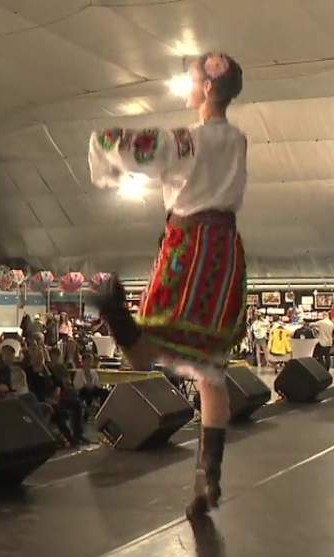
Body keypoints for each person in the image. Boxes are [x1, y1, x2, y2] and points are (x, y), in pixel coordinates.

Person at [89, 51, 245, 519]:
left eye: (194, 78)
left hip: (188, 246)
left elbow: (131, 145)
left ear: (208, 88)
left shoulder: (187, 141)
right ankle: (207, 478)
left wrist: (103, 150)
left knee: (144, 348)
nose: (189, 84)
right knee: (210, 373)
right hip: (225, 252)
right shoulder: (238, 140)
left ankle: (114, 312)